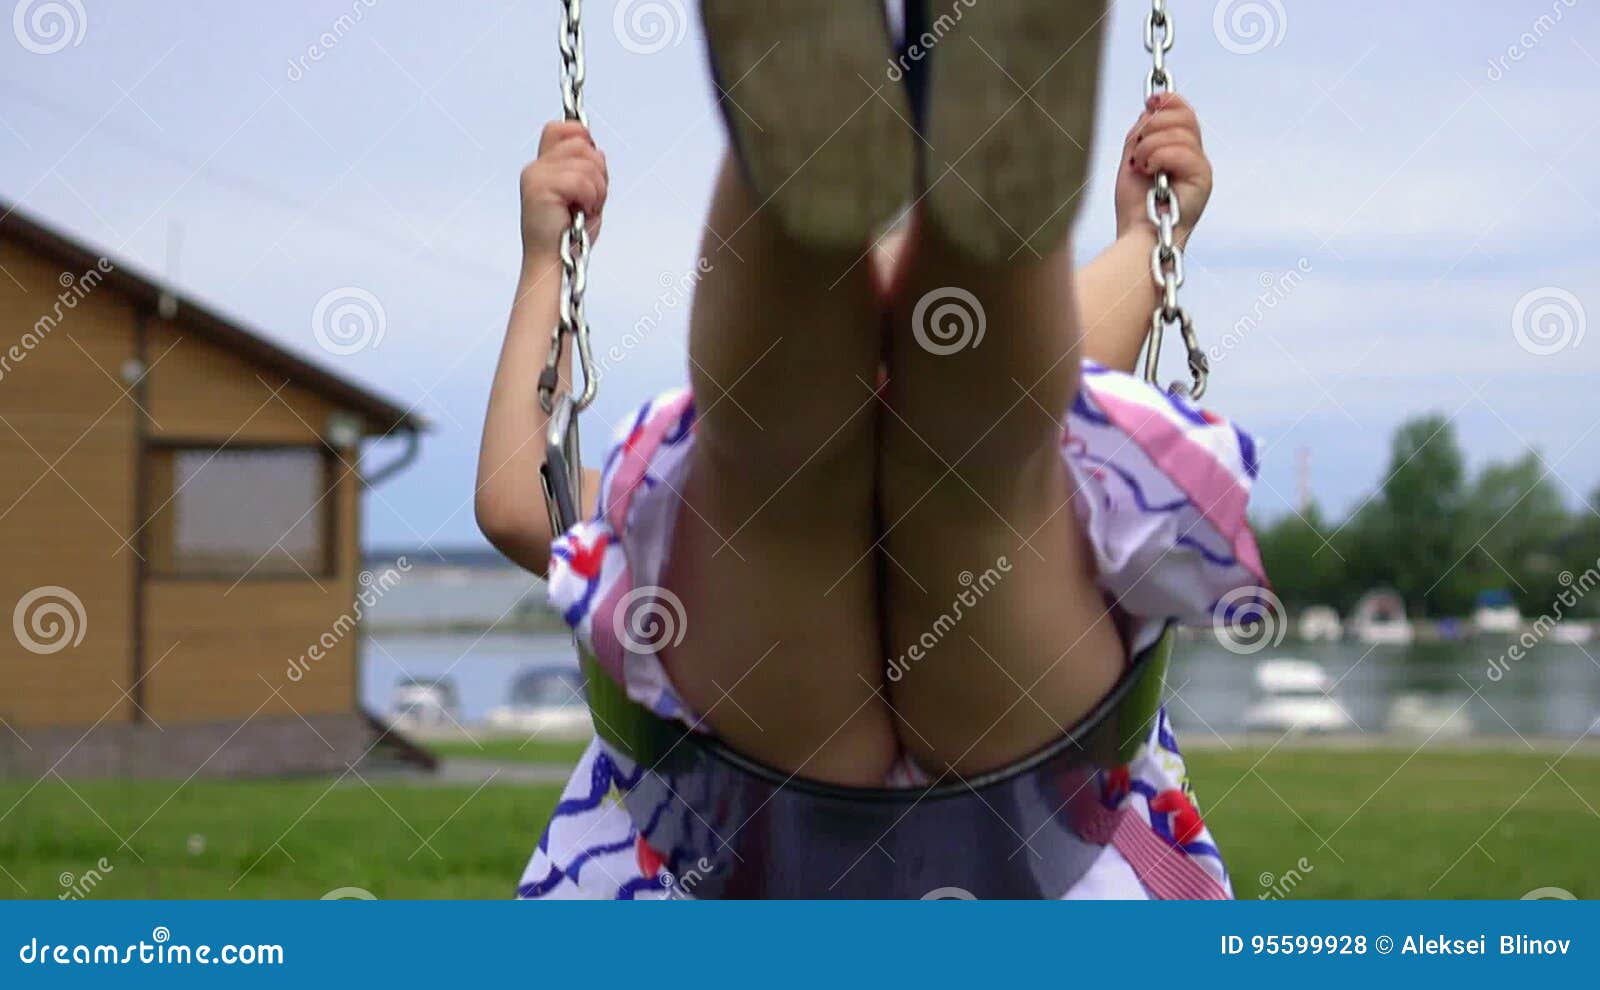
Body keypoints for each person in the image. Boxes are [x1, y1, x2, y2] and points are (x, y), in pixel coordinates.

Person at [478, 1, 1264, 899]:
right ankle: (909, 148)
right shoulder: (998, 389)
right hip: (1039, 814)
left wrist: (548, 262)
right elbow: (1040, 383)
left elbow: (516, 497)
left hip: (746, 826)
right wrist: (1145, 239)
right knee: (990, 468)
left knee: (769, 477)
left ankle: (806, 148)